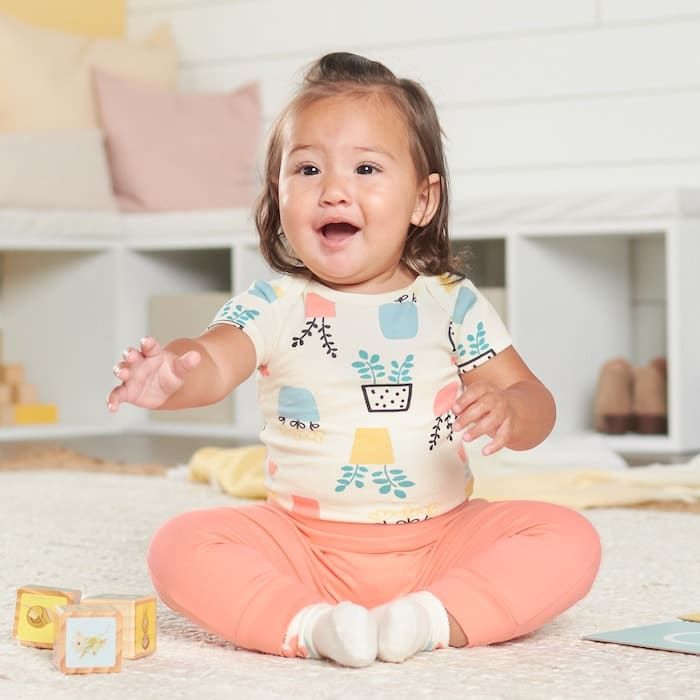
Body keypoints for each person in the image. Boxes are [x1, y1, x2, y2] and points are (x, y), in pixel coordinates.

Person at [108, 52, 601, 668]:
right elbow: (213, 360)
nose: (334, 190)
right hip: (302, 545)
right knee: (179, 546)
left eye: (366, 168)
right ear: (278, 194)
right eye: (308, 168)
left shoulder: (450, 302)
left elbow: (536, 406)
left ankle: (428, 618)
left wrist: (508, 408)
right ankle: (310, 625)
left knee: (569, 539)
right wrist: (172, 371)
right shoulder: (273, 304)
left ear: (423, 200)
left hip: (441, 540)